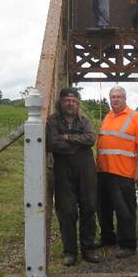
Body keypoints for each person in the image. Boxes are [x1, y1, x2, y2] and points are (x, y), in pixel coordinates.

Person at [46, 87, 100, 266]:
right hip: (63, 170)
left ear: (78, 103)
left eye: (74, 101)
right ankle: (69, 251)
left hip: (86, 169)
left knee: (89, 208)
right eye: (67, 100)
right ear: (60, 102)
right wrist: (78, 142)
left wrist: (68, 138)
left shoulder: (84, 120)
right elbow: (52, 143)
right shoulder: (53, 121)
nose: (70, 104)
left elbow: (91, 139)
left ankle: (88, 249)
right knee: (66, 211)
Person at [96, 86, 138, 258]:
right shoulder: (108, 117)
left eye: (119, 96)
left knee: (124, 210)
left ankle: (127, 244)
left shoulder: (136, 118)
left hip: (123, 173)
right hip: (104, 172)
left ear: (125, 98)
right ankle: (107, 237)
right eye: (112, 97)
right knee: (103, 208)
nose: (115, 99)